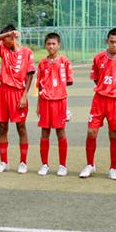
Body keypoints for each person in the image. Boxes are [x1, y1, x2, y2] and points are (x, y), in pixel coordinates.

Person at [80, 28, 116, 180]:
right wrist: (104, 88)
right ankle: (90, 164)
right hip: (99, 100)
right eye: (111, 42)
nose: (114, 45)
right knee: (91, 132)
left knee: (114, 133)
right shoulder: (98, 58)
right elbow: (96, 78)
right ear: (106, 42)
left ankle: (113, 168)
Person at [0, 24, 35, 173]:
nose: (3, 42)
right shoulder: (3, 50)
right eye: (3, 38)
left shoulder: (27, 52)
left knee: (20, 127)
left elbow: (30, 75)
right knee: (2, 126)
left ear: (13, 37)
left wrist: (24, 95)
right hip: (3, 92)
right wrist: (6, 35)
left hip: (18, 94)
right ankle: (4, 162)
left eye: (6, 38)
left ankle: (23, 162)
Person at [35, 32, 72, 176]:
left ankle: (63, 165)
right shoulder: (42, 63)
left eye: (53, 44)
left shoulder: (65, 61)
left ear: (59, 45)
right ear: (45, 45)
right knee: (45, 132)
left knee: (60, 131)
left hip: (60, 101)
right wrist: (38, 105)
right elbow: (39, 86)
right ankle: (44, 164)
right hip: (44, 102)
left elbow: (67, 82)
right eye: (48, 44)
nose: (51, 46)